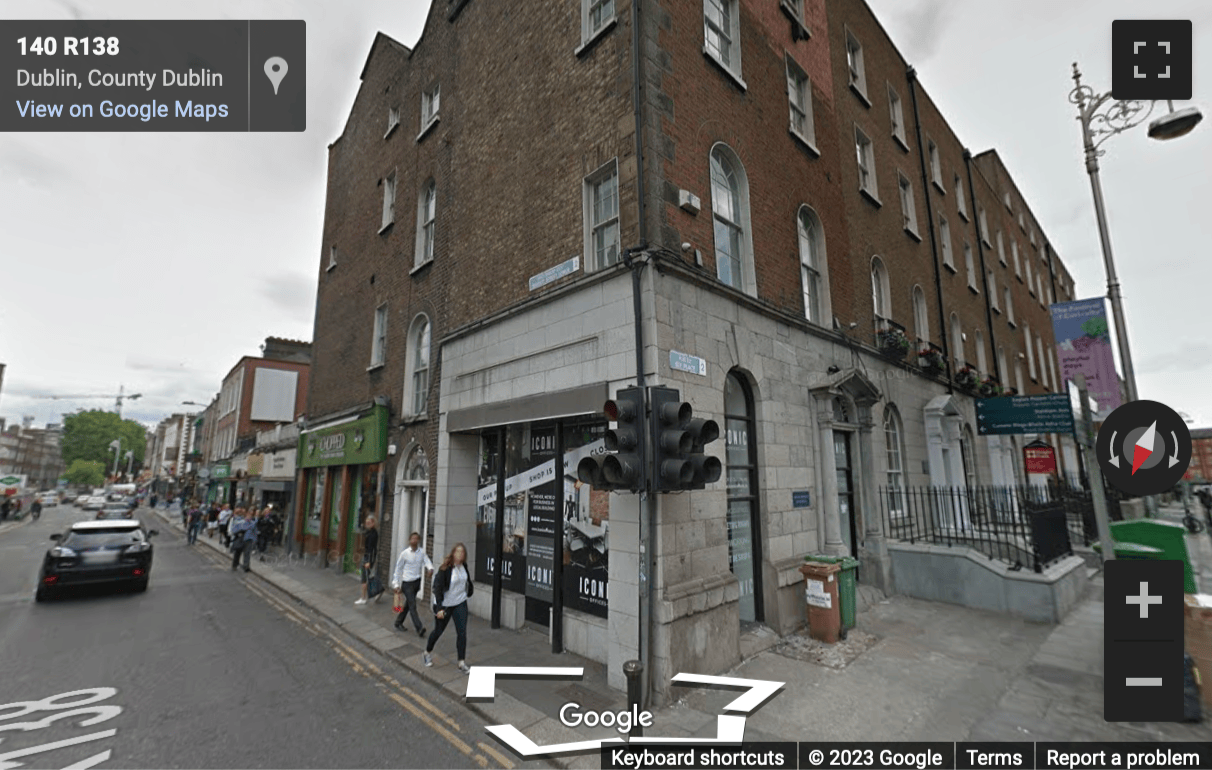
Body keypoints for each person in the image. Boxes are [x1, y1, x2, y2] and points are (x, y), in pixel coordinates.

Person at [423, 542, 474, 672]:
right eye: (457, 551)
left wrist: (469, 591)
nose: (460, 554)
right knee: (438, 631)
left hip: (460, 603)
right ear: (453, 553)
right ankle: (427, 652)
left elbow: (466, 582)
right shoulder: (445, 569)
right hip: (445, 605)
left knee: (462, 632)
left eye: (462, 552)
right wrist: (439, 608)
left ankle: (461, 662)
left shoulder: (464, 566)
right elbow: (437, 588)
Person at [391, 532, 434, 637]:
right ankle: (419, 628)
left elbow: (427, 561)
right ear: (409, 541)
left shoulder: (421, 552)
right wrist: (396, 584)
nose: (414, 540)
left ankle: (398, 622)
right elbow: (398, 569)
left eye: (416, 538)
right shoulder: (404, 554)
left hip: (416, 583)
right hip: (407, 583)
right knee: (412, 606)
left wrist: (430, 569)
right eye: (412, 539)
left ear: (418, 541)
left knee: (408, 605)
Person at [355, 517, 381, 605]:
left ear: (373, 523)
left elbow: (371, 548)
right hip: (367, 556)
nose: (367, 524)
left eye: (369, 523)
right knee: (368, 577)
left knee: (364, 578)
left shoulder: (373, 534)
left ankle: (363, 598)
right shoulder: (370, 532)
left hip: (368, 557)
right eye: (366, 522)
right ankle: (377, 591)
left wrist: (369, 561)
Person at [229, 508, 256, 572]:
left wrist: (254, 539)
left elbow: (254, 530)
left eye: (250, 514)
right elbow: (235, 529)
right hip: (240, 538)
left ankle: (246, 567)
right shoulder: (239, 520)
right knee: (237, 553)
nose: (249, 515)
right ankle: (234, 565)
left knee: (247, 553)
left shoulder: (252, 522)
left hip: (249, 539)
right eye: (248, 513)